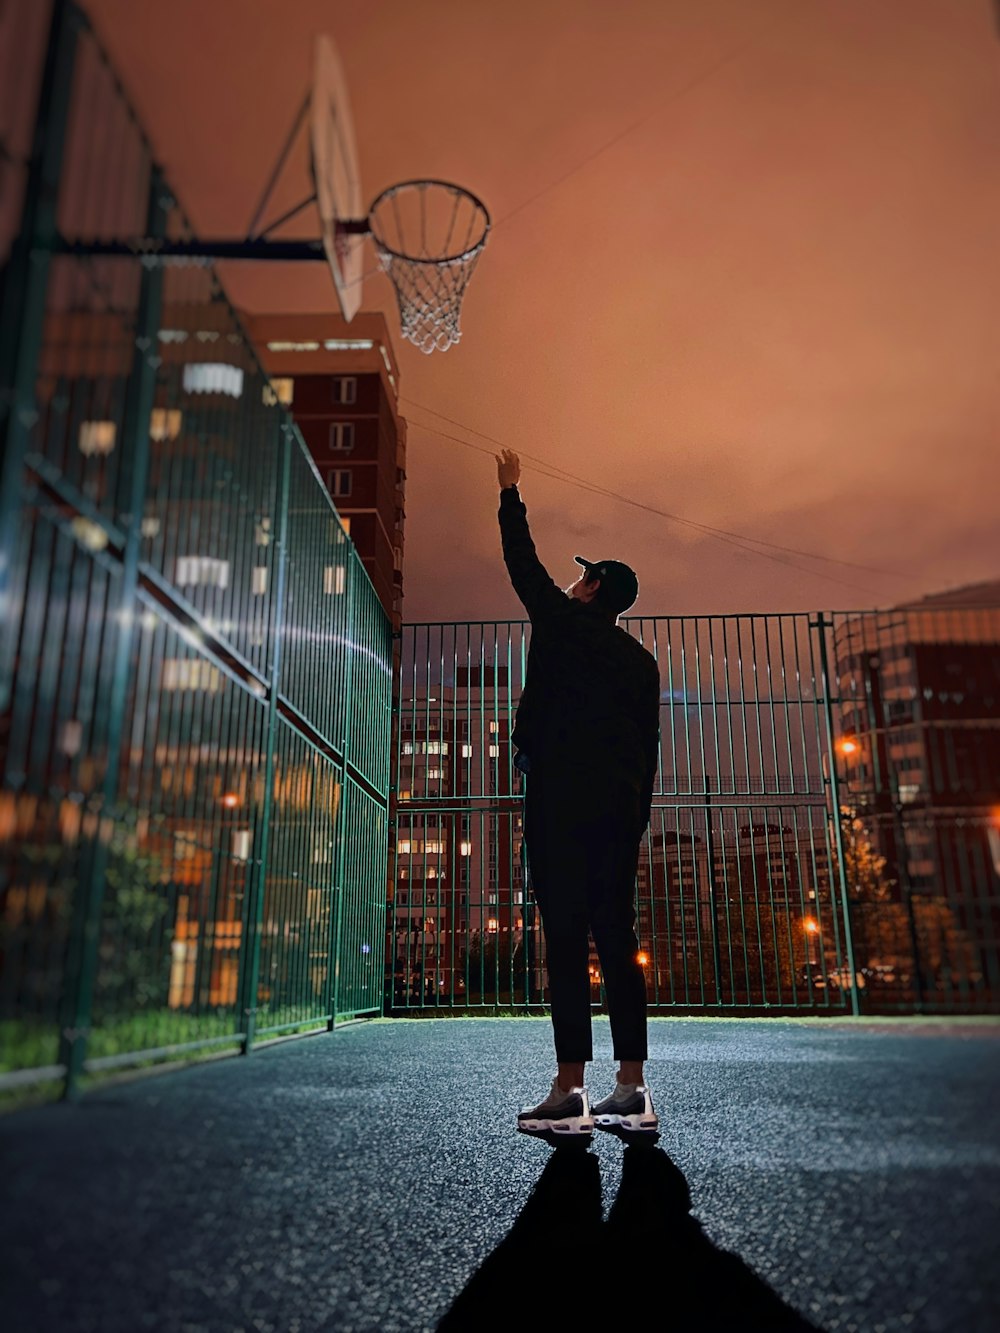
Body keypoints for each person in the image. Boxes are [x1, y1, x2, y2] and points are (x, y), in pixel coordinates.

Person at [495, 448, 662, 1139]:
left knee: (565, 937)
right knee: (616, 937)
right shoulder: (642, 662)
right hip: (619, 813)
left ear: (593, 589)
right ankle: (632, 1088)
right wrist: (635, 819)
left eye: (582, 577)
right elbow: (648, 751)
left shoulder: (559, 626)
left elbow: (521, 562)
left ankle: (570, 1091)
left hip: (562, 803)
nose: (572, 584)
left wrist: (510, 492)